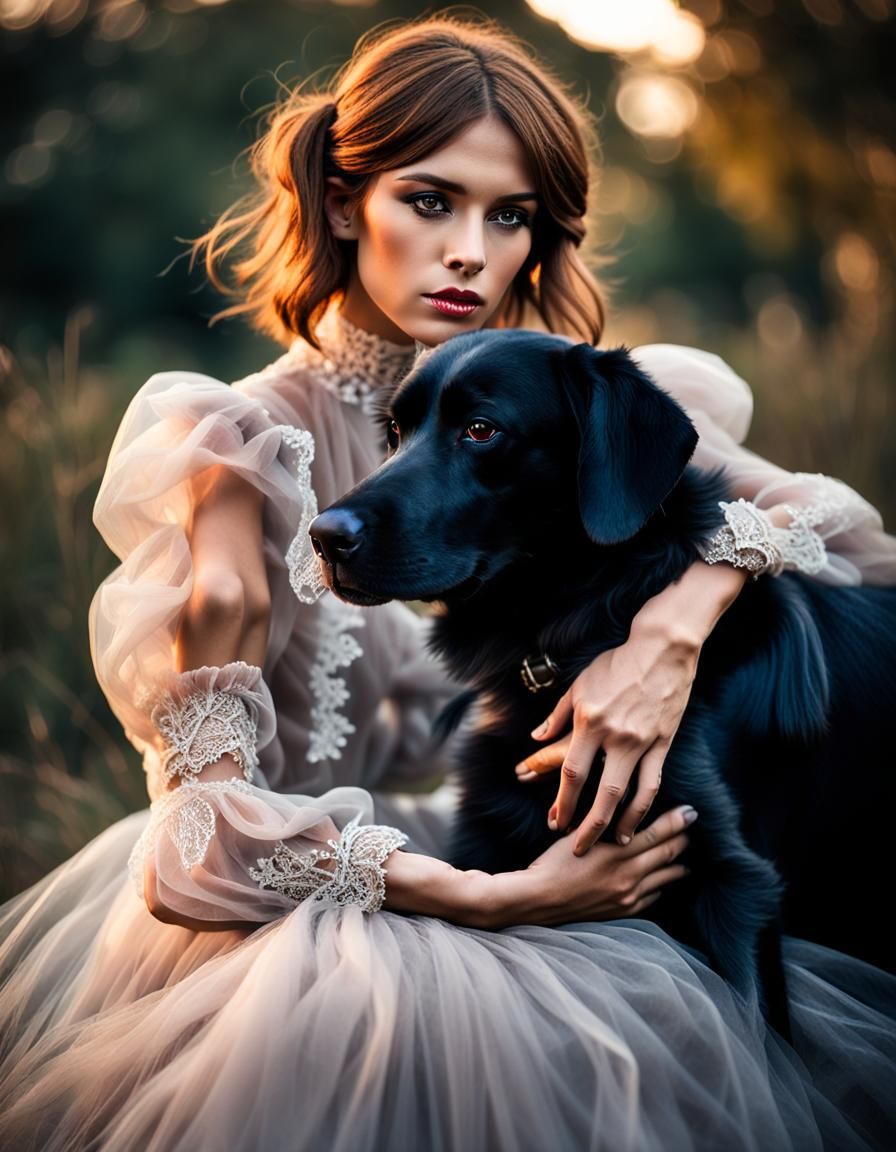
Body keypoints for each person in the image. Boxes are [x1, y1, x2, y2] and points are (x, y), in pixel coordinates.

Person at [1, 15, 894, 1152]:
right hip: (317, 932)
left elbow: (843, 532)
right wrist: (490, 902)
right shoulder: (236, 454)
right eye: (430, 201)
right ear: (341, 204)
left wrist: (672, 624)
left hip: (529, 846)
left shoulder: (561, 400)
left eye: (508, 213)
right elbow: (195, 844)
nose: (470, 249)